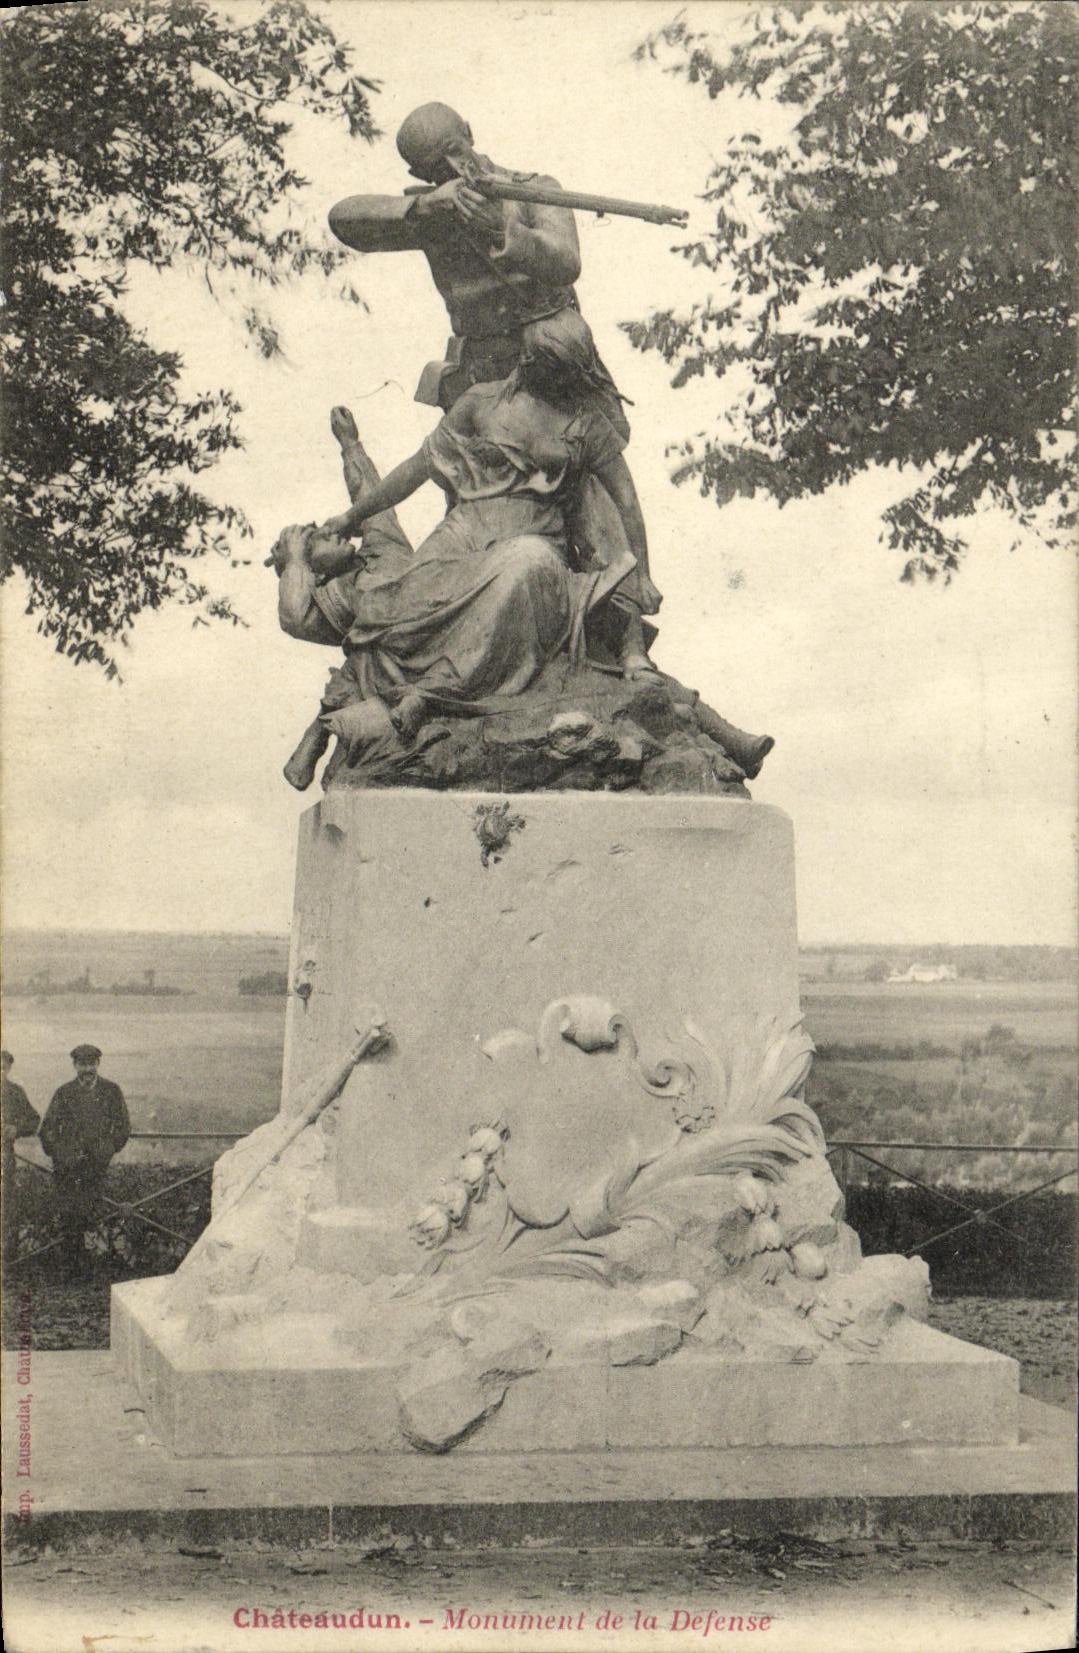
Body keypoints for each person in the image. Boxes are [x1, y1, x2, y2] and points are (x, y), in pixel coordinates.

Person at [272, 310, 661, 784]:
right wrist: (353, 516)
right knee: (395, 606)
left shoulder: (587, 426)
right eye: (530, 357)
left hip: (533, 539)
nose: (531, 368)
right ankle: (337, 721)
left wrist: (643, 574)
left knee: (524, 568)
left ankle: (426, 696)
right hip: (461, 534)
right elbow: (416, 469)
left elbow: (627, 502)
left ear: (571, 370)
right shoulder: (481, 404)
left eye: (547, 365)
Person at [327, 102, 627, 435]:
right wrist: (424, 206)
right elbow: (343, 219)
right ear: (419, 175)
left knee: (595, 451)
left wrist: (503, 230)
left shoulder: (531, 189)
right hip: (483, 380)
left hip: (555, 364)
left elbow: (566, 263)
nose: (454, 167)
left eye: (454, 149)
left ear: (469, 133)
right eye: (437, 165)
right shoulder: (432, 214)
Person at [39, 1045, 130, 1276]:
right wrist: (59, 1153)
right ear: (75, 1065)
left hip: (96, 1165)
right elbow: (47, 1129)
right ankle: (73, 1269)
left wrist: (107, 1149)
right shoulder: (64, 1093)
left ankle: (92, 1267)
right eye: (82, 1064)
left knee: (94, 1213)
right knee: (69, 1215)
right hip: (69, 1167)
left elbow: (123, 1127)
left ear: (98, 1064)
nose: (87, 1069)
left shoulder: (111, 1091)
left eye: (91, 1064)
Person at [2, 1051, 39, 1263]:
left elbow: (33, 1119)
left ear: (8, 1069)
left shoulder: (14, 1092)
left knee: (7, 1205)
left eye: (2, 1068)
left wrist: (16, 1129)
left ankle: (9, 1260)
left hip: (4, 1158)